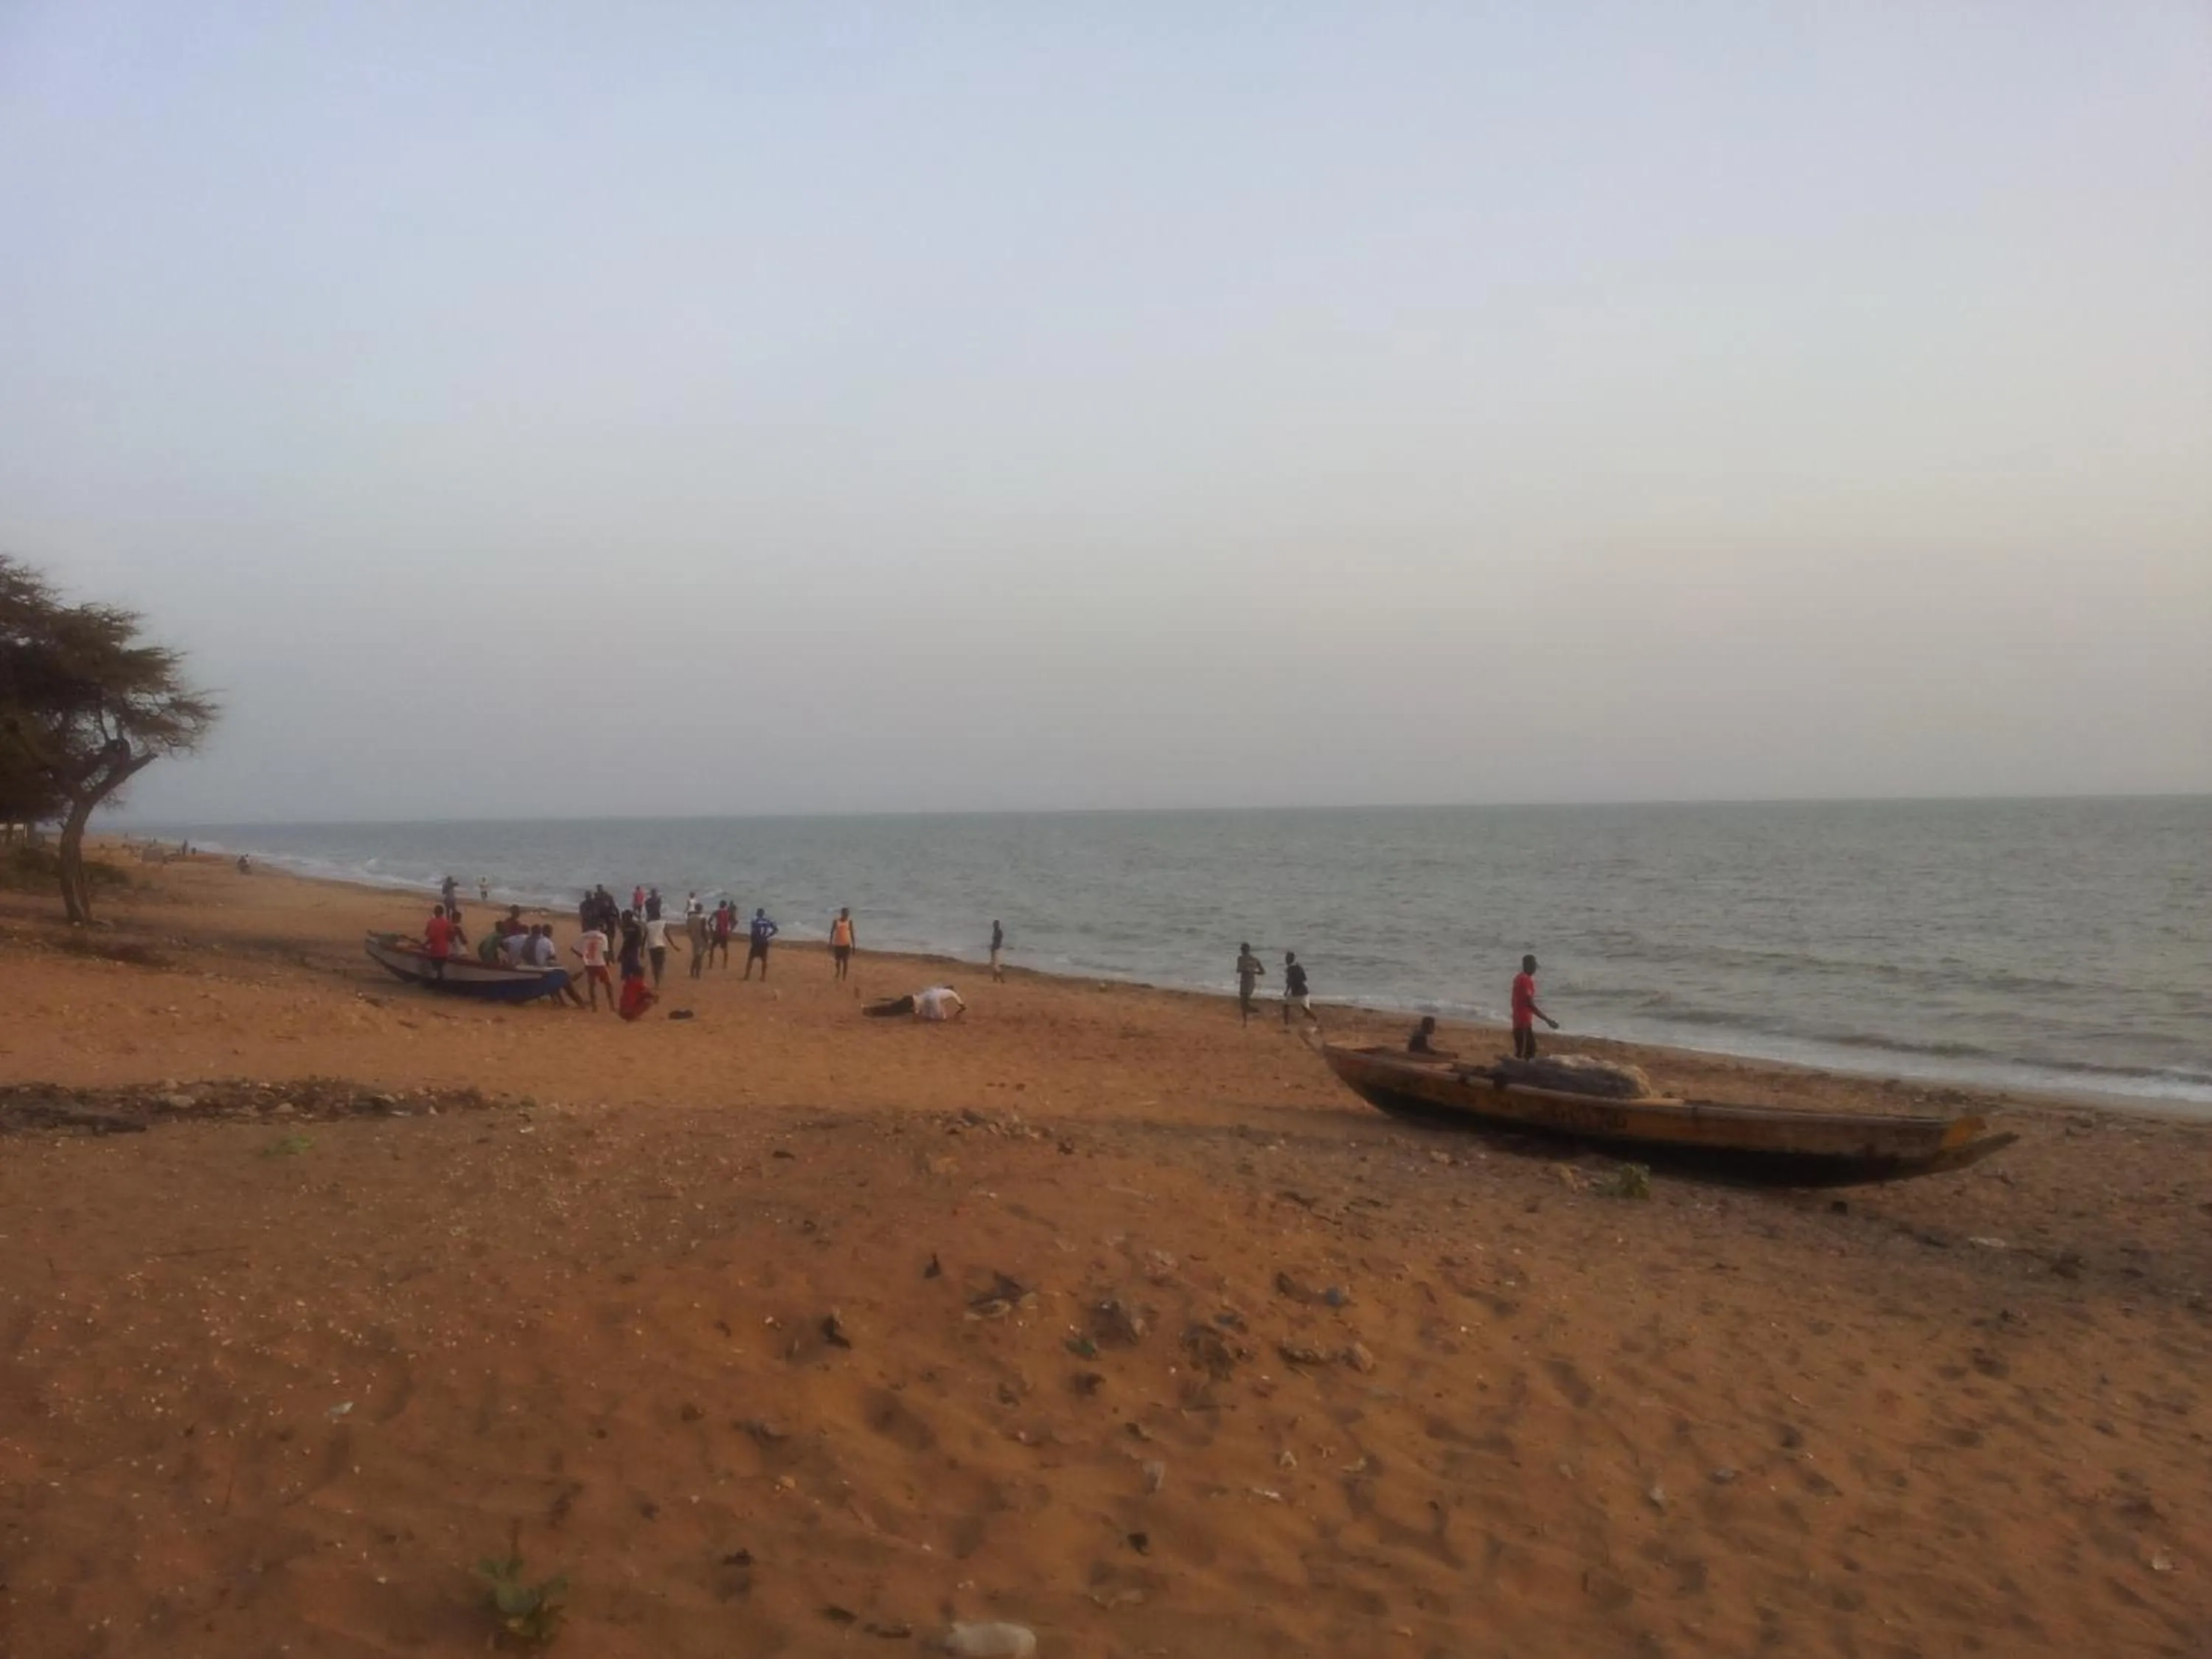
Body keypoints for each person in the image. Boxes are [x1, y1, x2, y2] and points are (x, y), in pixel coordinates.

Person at [1511, 954, 1560, 1060]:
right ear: (1527, 965)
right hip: (1523, 1020)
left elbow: (1516, 1000)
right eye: (1533, 966)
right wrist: (1547, 1020)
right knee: (1529, 1051)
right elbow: (1529, 1003)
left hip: (1517, 1019)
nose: (1535, 969)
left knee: (1521, 1050)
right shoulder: (1526, 980)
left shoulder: (1518, 978)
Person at [863, 984, 967, 1021]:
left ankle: (871, 1011)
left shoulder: (935, 991)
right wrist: (957, 1015)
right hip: (911, 1003)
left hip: (910, 998)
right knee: (892, 1011)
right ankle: (871, 1011)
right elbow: (962, 1006)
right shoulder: (951, 993)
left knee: (892, 1009)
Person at [571, 920, 613, 1011]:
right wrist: (608, 963)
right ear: (600, 927)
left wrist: (583, 957)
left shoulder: (584, 936)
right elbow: (605, 952)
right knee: (608, 984)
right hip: (600, 963)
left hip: (589, 964)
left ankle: (594, 1006)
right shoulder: (603, 936)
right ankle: (611, 1005)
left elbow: (573, 948)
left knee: (592, 985)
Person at [743, 908, 779, 980]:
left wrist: (752, 941)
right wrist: (769, 936)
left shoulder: (755, 921)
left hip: (757, 942)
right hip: (764, 942)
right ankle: (763, 976)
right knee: (764, 960)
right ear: (763, 914)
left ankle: (747, 975)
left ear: (757, 914)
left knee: (750, 958)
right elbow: (776, 929)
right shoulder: (767, 921)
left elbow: (753, 932)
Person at [1281, 950, 1315, 1028]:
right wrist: (1288, 990)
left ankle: (1316, 1021)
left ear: (1291, 959)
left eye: (1287, 958)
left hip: (1301, 992)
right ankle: (1287, 1024)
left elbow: (1291, 981)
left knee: (1306, 1011)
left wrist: (1288, 990)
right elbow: (1303, 979)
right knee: (1287, 1006)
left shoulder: (1291, 969)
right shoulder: (1298, 967)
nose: (1286, 960)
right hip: (1300, 991)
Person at [1235, 942, 1265, 1024]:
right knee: (1243, 1003)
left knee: (1244, 1002)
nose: (1242, 951)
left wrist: (1251, 971)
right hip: (1246, 982)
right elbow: (1262, 972)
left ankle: (1256, 1012)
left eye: (1242, 949)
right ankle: (1245, 1021)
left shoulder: (1247, 959)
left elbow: (1262, 972)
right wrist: (1251, 971)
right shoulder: (1252, 959)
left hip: (1248, 982)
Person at [643, 909, 674, 987]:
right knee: (661, 963)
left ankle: (657, 981)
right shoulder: (663, 923)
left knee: (654, 964)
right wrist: (674, 945)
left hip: (652, 947)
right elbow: (668, 935)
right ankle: (659, 974)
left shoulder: (648, 925)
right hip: (661, 946)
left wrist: (641, 950)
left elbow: (644, 938)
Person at [830, 907, 856, 981]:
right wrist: (830, 943)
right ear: (842, 914)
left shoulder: (849, 922)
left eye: (847, 914)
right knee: (837, 961)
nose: (846, 915)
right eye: (845, 914)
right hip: (838, 944)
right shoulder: (836, 922)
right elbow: (832, 932)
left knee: (845, 961)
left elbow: (852, 933)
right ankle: (838, 971)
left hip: (846, 944)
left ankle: (844, 977)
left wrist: (854, 945)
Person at [686, 902, 709, 979]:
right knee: (699, 957)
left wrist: (691, 937)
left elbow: (688, 930)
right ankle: (697, 973)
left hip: (694, 938)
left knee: (696, 955)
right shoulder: (702, 918)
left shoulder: (690, 917)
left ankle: (692, 971)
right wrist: (707, 940)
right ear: (701, 909)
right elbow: (703, 931)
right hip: (701, 939)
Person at [711, 901, 733, 969]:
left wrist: (712, 929)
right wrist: (730, 930)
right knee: (725, 950)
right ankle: (725, 965)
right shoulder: (728, 913)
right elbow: (735, 921)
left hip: (717, 932)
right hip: (724, 933)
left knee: (712, 948)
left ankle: (710, 964)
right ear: (726, 906)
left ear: (719, 905)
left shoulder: (716, 912)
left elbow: (709, 921)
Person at [989, 919, 1006, 983]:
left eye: (995, 925)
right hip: (995, 948)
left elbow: (997, 942)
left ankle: (1001, 979)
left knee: (996, 965)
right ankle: (995, 978)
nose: (994, 926)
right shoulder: (996, 932)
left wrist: (994, 947)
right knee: (994, 964)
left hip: (996, 949)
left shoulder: (998, 932)